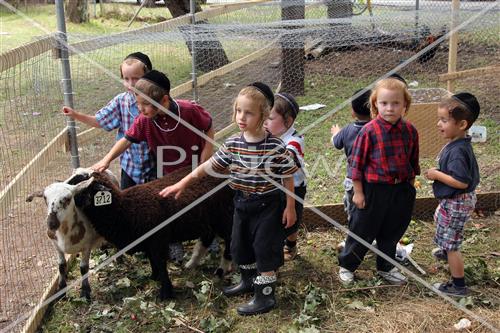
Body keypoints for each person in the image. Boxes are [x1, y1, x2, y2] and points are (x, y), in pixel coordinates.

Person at [160, 82, 298, 316]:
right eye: (238, 110)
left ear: (263, 115)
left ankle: (265, 297)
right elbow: (208, 166)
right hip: (242, 204)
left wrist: (291, 207)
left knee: (264, 248)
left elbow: (288, 177)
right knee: (239, 245)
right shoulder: (233, 144)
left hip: (268, 205)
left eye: (249, 112)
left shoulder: (274, 146)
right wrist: (182, 183)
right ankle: (248, 281)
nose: (241, 117)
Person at [93, 70, 214, 263]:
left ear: (164, 100)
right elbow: (127, 140)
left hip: (195, 167)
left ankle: (208, 234)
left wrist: (204, 162)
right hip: (168, 172)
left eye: (145, 104)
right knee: (175, 204)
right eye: (137, 103)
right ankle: (175, 242)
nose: (140, 108)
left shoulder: (189, 111)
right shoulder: (144, 121)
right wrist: (107, 159)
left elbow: (208, 128)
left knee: (203, 201)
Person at [337, 77, 420, 286]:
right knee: (362, 229)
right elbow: (356, 164)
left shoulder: (410, 131)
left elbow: (413, 160)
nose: (390, 108)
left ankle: (386, 267)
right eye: (384, 103)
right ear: (375, 104)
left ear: (405, 105)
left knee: (392, 230)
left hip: (400, 189)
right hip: (373, 189)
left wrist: (409, 187)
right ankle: (347, 265)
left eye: (395, 103)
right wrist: (358, 192)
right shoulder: (368, 131)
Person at [62, 52, 155, 189]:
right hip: (130, 168)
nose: (130, 84)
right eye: (126, 78)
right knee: (128, 202)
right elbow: (100, 121)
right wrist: (76, 115)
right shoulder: (121, 101)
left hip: (155, 164)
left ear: (147, 78)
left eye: (136, 78)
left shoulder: (156, 102)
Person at [424, 92, 480, 297]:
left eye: (444, 120)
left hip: (458, 201)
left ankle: (458, 286)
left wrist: (436, 174)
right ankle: (445, 250)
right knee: (441, 219)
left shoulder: (457, 151)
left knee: (452, 242)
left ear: (462, 124)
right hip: (455, 201)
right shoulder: (459, 142)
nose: (439, 124)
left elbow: (461, 181)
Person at [264, 92, 306, 261]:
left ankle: (291, 244)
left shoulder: (294, 140)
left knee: (292, 220)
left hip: (295, 188)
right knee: (275, 220)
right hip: (274, 188)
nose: (265, 122)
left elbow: (284, 163)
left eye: (270, 118)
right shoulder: (269, 135)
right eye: (263, 116)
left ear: (288, 122)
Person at [331, 88, 371, 226]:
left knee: (353, 211)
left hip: (352, 180)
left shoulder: (347, 130)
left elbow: (336, 143)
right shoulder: (377, 130)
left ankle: (354, 233)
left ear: (353, 112)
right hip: (373, 179)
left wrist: (336, 133)